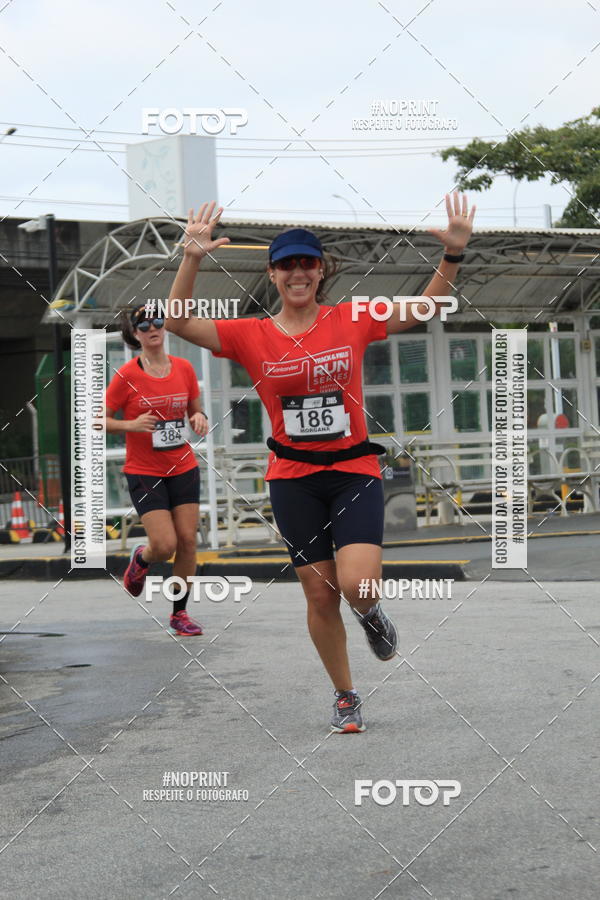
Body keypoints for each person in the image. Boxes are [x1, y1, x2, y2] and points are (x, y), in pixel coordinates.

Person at [165, 195, 475, 729]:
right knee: (319, 592)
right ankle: (346, 695)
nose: (298, 273)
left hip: (353, 471)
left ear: (321, 270)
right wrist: (191, 257)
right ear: (272, 274)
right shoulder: (251, 334)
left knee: (357, 585)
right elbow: (177, 323)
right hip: (293, 479)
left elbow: (426, 307)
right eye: (286, 265)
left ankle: (371, 613)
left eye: (307, 263)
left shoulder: (352, 318)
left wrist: (453, 255)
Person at [105, 303, 209, 636]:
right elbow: (98, 420)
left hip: (183, 466)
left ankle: (180, 613)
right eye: (144, 325)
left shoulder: (184, 368)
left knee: (188, 541)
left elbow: (195, 410)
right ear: (135, 334)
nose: (152, 328)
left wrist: (199, 418)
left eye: (157, 322)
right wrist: (131, 425)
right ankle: (142, 558)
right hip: (145, 470)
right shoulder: (127, 376)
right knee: (164, 545)